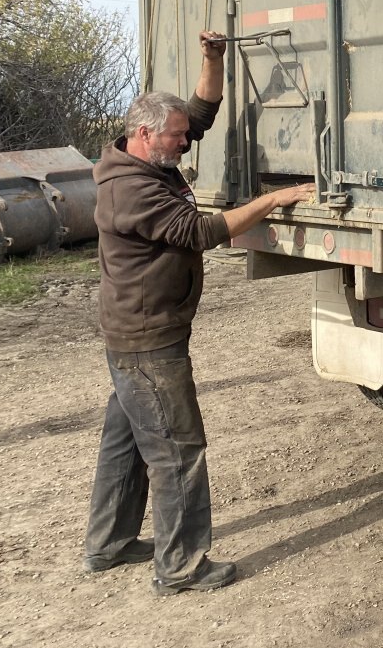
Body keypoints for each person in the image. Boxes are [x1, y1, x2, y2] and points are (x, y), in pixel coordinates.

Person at [82, 30, 315, 595]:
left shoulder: (149, 157)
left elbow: (202, 111)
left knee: (128, 442)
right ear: (145, 134)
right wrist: (273, 200)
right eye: (177, 137)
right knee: (176, 449)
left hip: (133, 336)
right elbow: (199, 231)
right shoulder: (129, 192)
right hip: (148, 340)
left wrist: (212, 60)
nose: (187, 145)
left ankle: (109, 544)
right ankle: (181, 566)